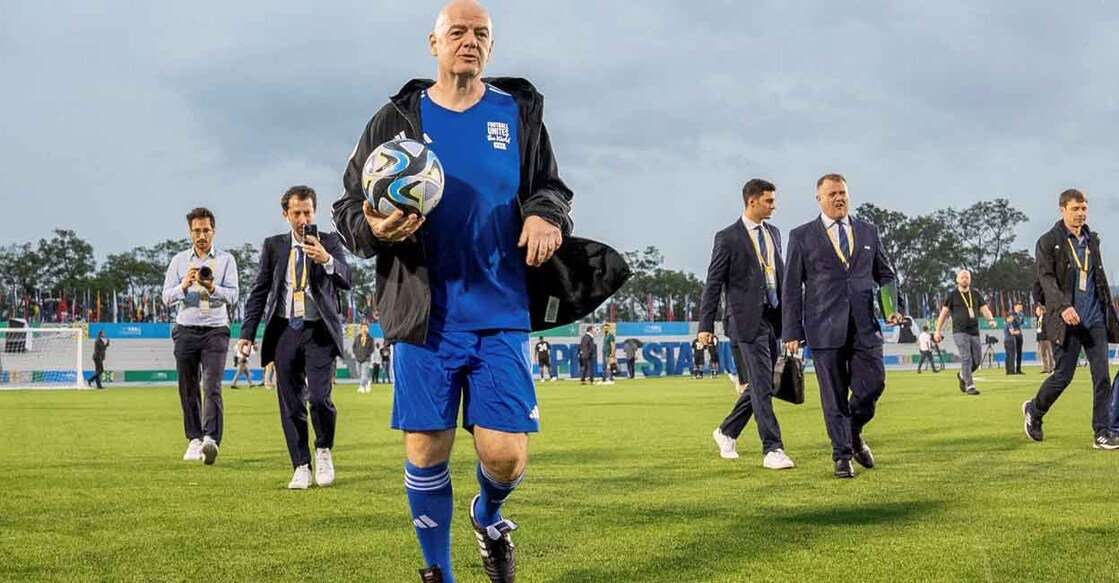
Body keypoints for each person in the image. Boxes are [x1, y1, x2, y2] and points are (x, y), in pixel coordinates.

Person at [329, 2, 630, 580]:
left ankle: (487, 516)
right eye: (458, 32)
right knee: (426, 450)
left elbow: (551, 187)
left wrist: (546, 216)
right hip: (424, 316)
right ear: (433, 43)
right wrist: (375, 227)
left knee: (506, 454)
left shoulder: (514, 112)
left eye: (481, 34)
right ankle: (437, 571)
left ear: (491, 46)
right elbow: (348, 207)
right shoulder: (395, 120)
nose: (470, 41)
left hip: (500, 310)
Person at [783, 174, 902, 479]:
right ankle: (842, 455)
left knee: (872, 385)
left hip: (864, 326)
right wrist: (791, 331)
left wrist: (894, 307)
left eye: (843, 193)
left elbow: (886, 275)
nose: (839, 198)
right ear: (819, 198)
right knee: (833, 395)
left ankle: (853, 430)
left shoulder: (868, 231)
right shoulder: (801, 236)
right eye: (833, 193)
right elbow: (792, 288)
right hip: (822, 327)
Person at [237, 185, 353, 489]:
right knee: (290, 403)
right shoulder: (274, 246)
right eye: (297, 213)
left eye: (308, 212)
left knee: (319, 398)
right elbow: (260, 291)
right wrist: (247, 333)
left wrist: (326, 259)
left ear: (314, 212)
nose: (303, 219)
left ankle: (324, 448)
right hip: (286, 329)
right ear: (286, 214)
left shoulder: (329, 241)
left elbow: (346, 279)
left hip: (319, 331)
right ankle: (301, 465)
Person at [700, 178, 794, 470]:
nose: (774, 206)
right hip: (744, 321)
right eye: (769, 201)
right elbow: (714, 282)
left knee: (762, 383)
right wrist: (706, 325)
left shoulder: (775, 233)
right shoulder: (727, 237)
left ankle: (727, 431)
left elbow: (781, 277)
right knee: (763, 383)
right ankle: (773, 449)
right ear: (751, 201)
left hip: (772, 318)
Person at [1023, 189, 1119, 450]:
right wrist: (1063, 306)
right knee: (1063, 376)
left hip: (1095, 318)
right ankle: (1034, 409)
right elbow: (1046, 279)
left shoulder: (1092, 240)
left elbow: (1097, 278)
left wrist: (1110, 312)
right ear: (1062, 210)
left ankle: (1102, 432)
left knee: (1102, 376)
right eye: (1076, 209)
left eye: (1084, 208)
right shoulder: (1048, 241)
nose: (1081, 214)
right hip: (1066, 319)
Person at [162, 207, 239, 465]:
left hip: (216, 328)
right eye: (197, 230)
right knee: (188, 386)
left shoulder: (226, 260)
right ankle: (194, 438)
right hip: (186, 328)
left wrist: (212, 286)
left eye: (206, 230)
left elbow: (234, 295)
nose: (202, 235)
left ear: (213, 230)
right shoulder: (179, 261)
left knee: (212, 384)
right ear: (190, 232)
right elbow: (166, 297)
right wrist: (184, 285)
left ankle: (211, 440)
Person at [932, 269, 997, 394]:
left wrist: (991, 320)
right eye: (962, 277)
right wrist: (937, 331)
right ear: (957, 280)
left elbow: (984, 309)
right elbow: (943, 314)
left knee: (977, 360)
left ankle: (962, 374)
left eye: (967, 277)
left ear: (970, 279)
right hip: (959, 332)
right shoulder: (952, 295)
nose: (965, 279)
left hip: (974, 331)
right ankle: (970, 386)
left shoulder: (976, 294)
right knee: (966, 357)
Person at [353, 323, 376, 393]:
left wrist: (367, 354)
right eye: (363, 328)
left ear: (368, 329)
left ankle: (361, 387)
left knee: (364, 373)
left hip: (366, 359)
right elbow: (354, 347)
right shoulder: (357, 337)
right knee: (359, 373)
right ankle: (368, 382)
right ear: (360, 329)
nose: (364, 329)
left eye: (365, 328)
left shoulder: (371, 338)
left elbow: (372, 349)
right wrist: (356, 353)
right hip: (358, 358)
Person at [1035, 304, 1054, 374]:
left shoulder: (1046, 318)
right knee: (1043, 354)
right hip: (1041, 338)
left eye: (1037, 310)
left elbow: (1048, 328)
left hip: (1047, 338)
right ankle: (1045, 368)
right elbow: (1038, 330)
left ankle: (1051, 368)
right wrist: (1037, 340)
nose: (1036, 312)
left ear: (1042, 311)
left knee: (1049, 353)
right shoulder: (1038, 319)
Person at [1011, 302, 1026, 373]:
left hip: (1019, 334)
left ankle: (1018, 369)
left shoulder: (1022, 315)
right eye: (1019, 306)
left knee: (1019, 352)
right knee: (1013, 352)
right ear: (1015, 306)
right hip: (1013, 335)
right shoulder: (1012, 314)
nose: (1021, 307)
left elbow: (1021, 323)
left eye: (1021, 306)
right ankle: (1011, 369)